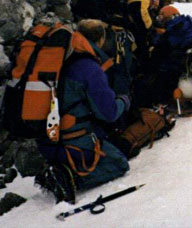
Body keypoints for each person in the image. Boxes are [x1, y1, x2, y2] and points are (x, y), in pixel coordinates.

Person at [35, 19, 131, 203]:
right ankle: (68, 177)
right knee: (119, 163)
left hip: (46, 139)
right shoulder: (89, 68)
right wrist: (123, 101)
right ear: (101, 39)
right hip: (72, 142)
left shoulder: (60, 58)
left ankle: (60, 167)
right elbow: (108, 114)